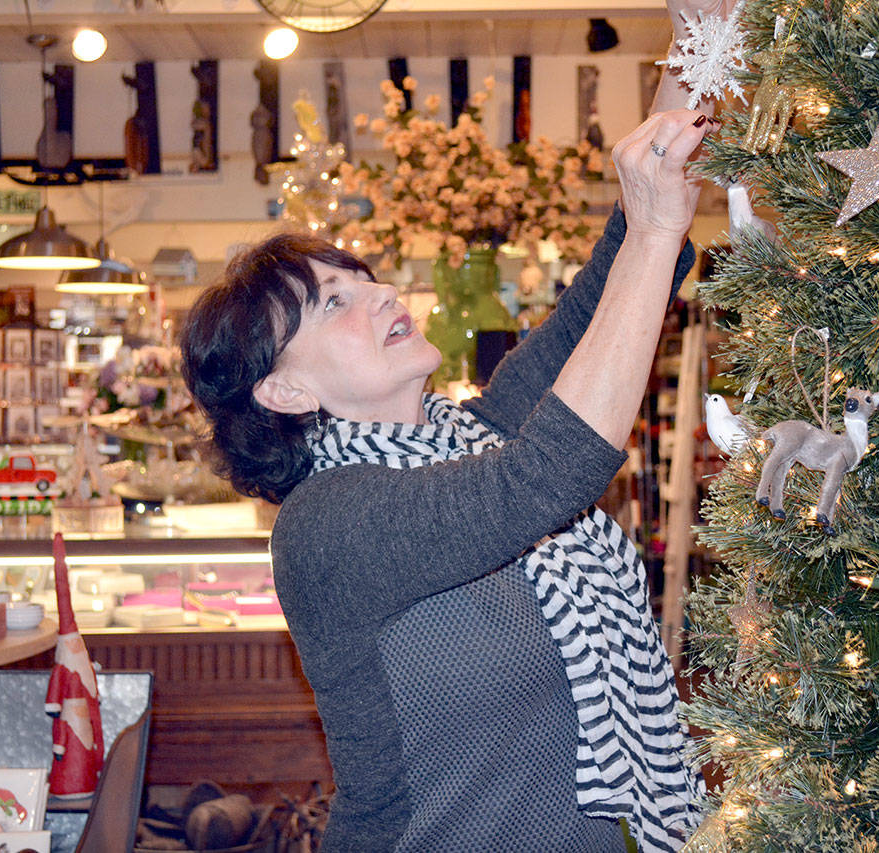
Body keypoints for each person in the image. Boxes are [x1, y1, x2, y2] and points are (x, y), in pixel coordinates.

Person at [180, 3, 727, 848]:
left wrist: (704, 37)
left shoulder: (479, 431)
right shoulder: (327, 526)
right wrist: (658, 229)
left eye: (363, 278)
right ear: (283, 390)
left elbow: (609, 278)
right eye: (335, 304)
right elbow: (550, 474)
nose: (383, 294)